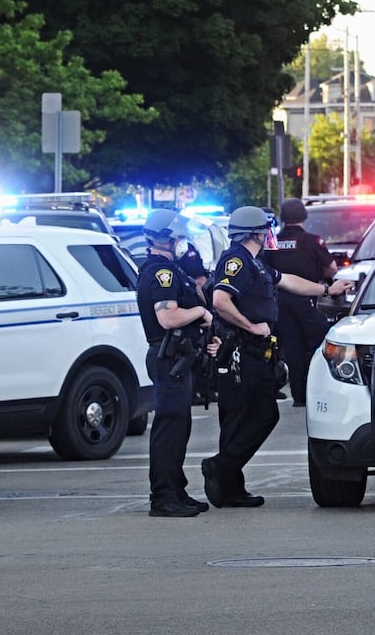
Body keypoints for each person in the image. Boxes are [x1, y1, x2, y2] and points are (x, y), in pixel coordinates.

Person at [201, 205, 348, 508]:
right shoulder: (237, 261)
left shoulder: (256, 263)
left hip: (250, 352)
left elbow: (289, 281)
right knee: (263, 415)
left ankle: (229, 488)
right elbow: (220, 299)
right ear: (256, 232)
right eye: (267, 229)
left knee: (237, 421)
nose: (272, 234)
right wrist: (251, 326)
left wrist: (326, 289)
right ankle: (222, 466)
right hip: (240, 351)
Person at [135, 209, 220, 518]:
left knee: (179, 427)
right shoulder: (162, 273)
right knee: (169, 428)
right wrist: (200, 314)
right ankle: (163, 497)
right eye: (179, 238)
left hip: (179, 357)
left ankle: (176, 489)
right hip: (168, 357)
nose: (183, 243)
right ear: (164, 239)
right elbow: (168, 317)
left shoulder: (172, 269)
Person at [264, 198, 336, 407]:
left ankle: (299, 396)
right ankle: (317, 392)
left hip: (281, 300)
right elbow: (331, 268)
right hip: (307, 299)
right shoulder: (312, 241)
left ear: (283, 218)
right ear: (304, 216)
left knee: (292, 348)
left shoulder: (273, 242)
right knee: (315, 345)